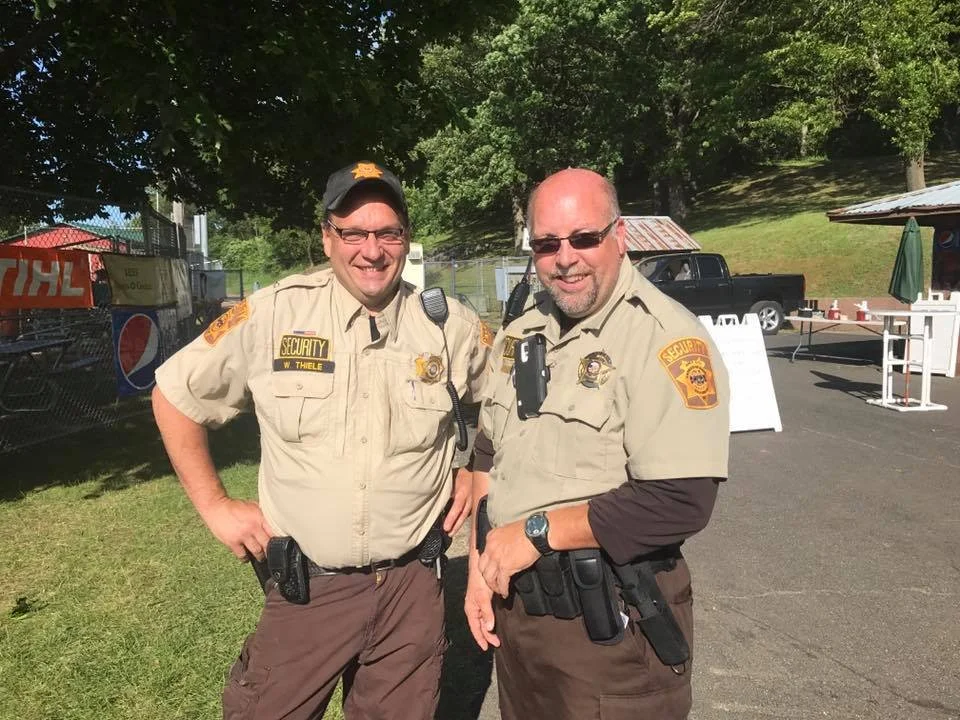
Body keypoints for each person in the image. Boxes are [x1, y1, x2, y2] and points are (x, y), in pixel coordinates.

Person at [152, 161, 492, 720]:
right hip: (308, 589)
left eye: (388, 233)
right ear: (327, 237)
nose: (372, 250)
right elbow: (173, 396)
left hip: (412, 587)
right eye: (353, 232)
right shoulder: (273, 314)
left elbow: (506, 404)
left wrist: (479, 467)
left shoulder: (448, 325)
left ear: (406, 239)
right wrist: (214, 506)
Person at [465, 168, 730, 719]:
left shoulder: (665, 338)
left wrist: (536, 534)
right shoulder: (521, 334)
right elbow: (489, 458)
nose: (566, 258)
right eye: (546, 244)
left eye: (584, 238)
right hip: (520, 625)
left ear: (620, 236)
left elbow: (680, 499)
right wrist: (478, 570)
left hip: (609, 630)